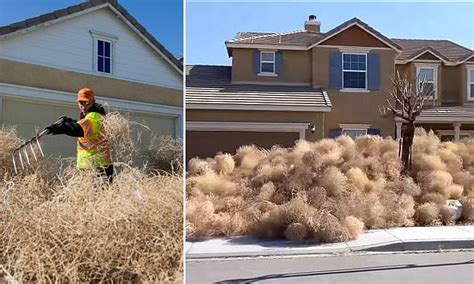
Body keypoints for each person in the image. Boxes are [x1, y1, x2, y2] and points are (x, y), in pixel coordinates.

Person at [46, 87, 114, 183]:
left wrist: (60, 128)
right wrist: (71, 121)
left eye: (86, 103)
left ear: (93, 102)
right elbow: (82, 126)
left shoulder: (95, 116)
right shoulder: (86, 117)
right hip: (87, 167)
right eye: (80, 103)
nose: (83, 106)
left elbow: (79, 129)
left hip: (99, 168)